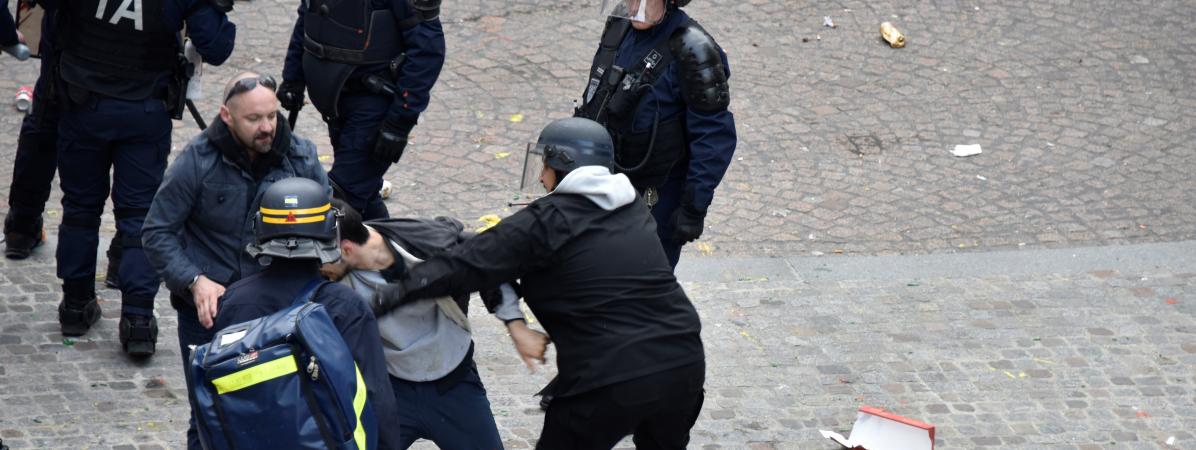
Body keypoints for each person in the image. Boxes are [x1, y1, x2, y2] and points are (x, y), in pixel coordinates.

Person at [373, 117, 707, 449]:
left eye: (545, 163)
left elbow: (465, 264)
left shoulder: (545, 221)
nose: (540, 175)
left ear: (562, 164)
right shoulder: (632, 204)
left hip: (608, 378)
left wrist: (390, 295)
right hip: (684, 361)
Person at [143, 72, 329, 449]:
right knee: (209, 415)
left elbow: (328, 227)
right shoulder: (197, 160)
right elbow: (156, 232)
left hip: (279, 313)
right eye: (254, 119)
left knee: (283, 411)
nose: (267, 128)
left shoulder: (301, 156)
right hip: (210, 315)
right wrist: (194, 280)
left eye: (272, 117)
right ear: (226, 115)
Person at [46, 0, 234, 358]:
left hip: (82, 101)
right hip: (143, 109)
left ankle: (74, 304)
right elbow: (216, 46)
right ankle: (138, 321)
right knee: (139, 217)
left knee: (80, 208)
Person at [322, 199, 549, 449]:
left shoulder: (431, 243)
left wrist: (517, 327)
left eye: (321, 259)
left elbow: (491, 261)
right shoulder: (331, 275)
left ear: (345, 250)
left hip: (454, 385)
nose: (317, 266)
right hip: (391, 392)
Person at [213, 177, 400, 449]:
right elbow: (374, 398)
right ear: (329, 232)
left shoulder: (234, 302)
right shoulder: (346, 307)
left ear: (259, 229)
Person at [574, 0, 737, 267]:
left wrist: (693, 207)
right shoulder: (619, 27)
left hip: (654, 198)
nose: (635, 7)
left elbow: (714, 135)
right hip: (604, 185)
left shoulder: (693, 48)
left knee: (641, 294)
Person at [276, 0, 446, 220]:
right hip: (336, 103)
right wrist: (293, 78)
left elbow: (428, 49)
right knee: (363, 200)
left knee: (340, 199)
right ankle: (391, 251)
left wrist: (399, 122)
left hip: (375, 108)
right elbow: (309, 16)